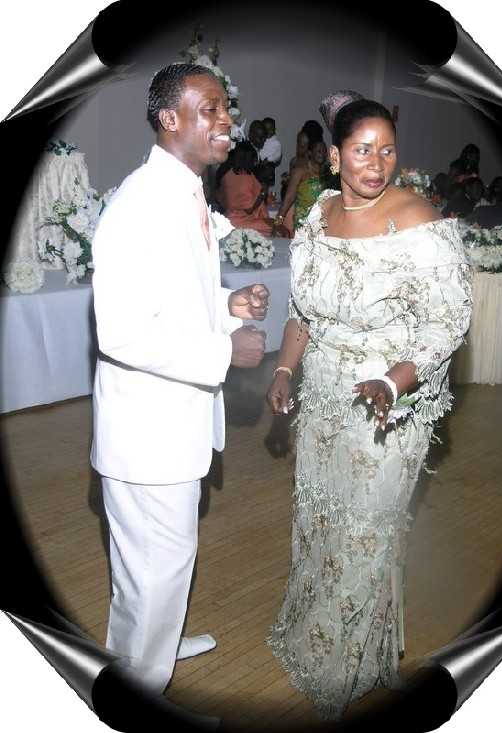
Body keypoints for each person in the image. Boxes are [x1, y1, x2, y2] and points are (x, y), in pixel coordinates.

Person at [265, 90, 472, 721]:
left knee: (365, 530)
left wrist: (395, 378)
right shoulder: (318, 215)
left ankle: (346, 664)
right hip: (325, 397)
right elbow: (303, 306)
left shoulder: (417, 218)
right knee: (321, 519)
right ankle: (313, 633)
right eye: (362, 150)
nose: (376, 163)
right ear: (333, 157)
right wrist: (283, 369)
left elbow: (450, 319)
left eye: (387, 150)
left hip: (388, 408)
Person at [90, 62, 269, 702]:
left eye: (227, 109)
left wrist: (227, 307)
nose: (228, 121)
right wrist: (223, 352)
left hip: (171, 426)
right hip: (149, 433)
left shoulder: (185, 193)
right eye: (211, 109)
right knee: (156, 563)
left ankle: (151, 643)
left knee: (154, 565)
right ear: (170, 119)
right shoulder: (141, 204)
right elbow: (122, 333)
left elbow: (176, 301)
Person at [271, 137, 333, 236]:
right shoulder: (299, 172)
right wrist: (277, 223)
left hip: (327, 221)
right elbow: (289, 198)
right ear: (310, 153)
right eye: (318, 151)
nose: (322, 154)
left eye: (324, 152)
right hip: (305, 223)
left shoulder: (331, 171)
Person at [216, 140, 274, 235]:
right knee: (274, 227)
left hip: (227, 218)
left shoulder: (226, 175)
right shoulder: (248, 179)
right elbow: (250, 209)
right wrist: (263, 193)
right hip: (242, 221)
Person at [260, 116, 283, 196]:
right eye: (266, 129)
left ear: (275, 129)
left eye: (271, 128)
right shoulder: (261, 140)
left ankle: (264, 197)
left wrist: (268, 160)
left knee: (264, 183)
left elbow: (277, 155)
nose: (268, 131)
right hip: (259, 164)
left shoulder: (276, 143)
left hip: (268, 165)